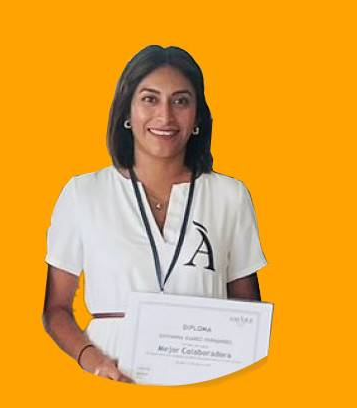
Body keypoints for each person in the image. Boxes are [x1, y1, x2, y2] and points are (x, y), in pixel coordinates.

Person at [42, 45, 267, 383]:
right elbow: (55, 308)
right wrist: (94, 361)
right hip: (110, 379)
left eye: (181, 101)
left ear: (197, 117)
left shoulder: (230, 196)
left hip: (206, 383)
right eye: (150, 99)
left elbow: (248, 311)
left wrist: (231, 371)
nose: (165, 116)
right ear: (127, 112)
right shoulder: (83, 193)